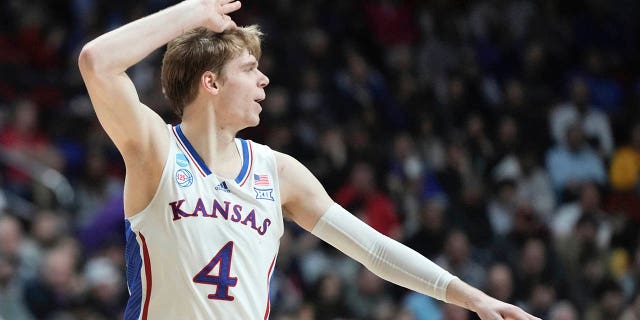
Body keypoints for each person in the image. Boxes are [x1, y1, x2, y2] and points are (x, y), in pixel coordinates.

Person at [78, 1, 540, 319]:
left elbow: (374, 249)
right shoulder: (156, 150)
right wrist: (190, 14)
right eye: (249, 69)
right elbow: (97, 61)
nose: (264, 81)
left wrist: (472, 297)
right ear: (210, 83)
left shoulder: (278, 172)